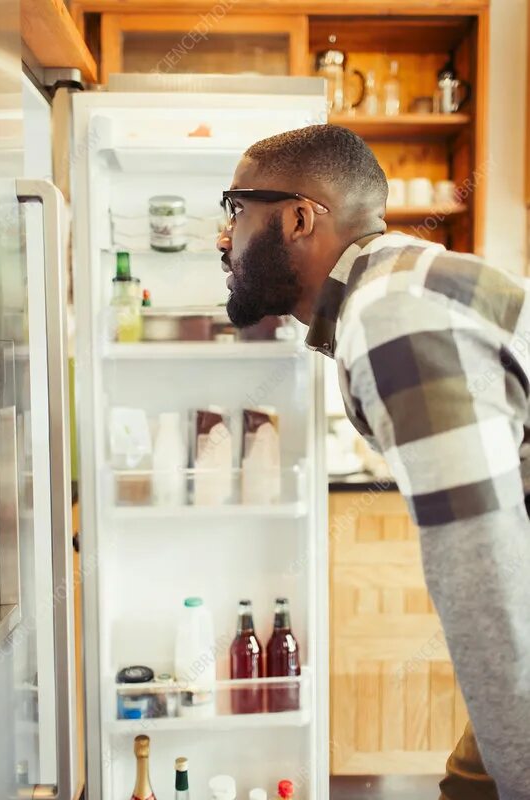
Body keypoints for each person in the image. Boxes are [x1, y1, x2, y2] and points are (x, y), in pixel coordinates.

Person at [216, 124, 530, 800]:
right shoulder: (395, 286)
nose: (224, 238)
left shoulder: (390, 314)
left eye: (236, 209)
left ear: (299, 217)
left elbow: (483, 569)